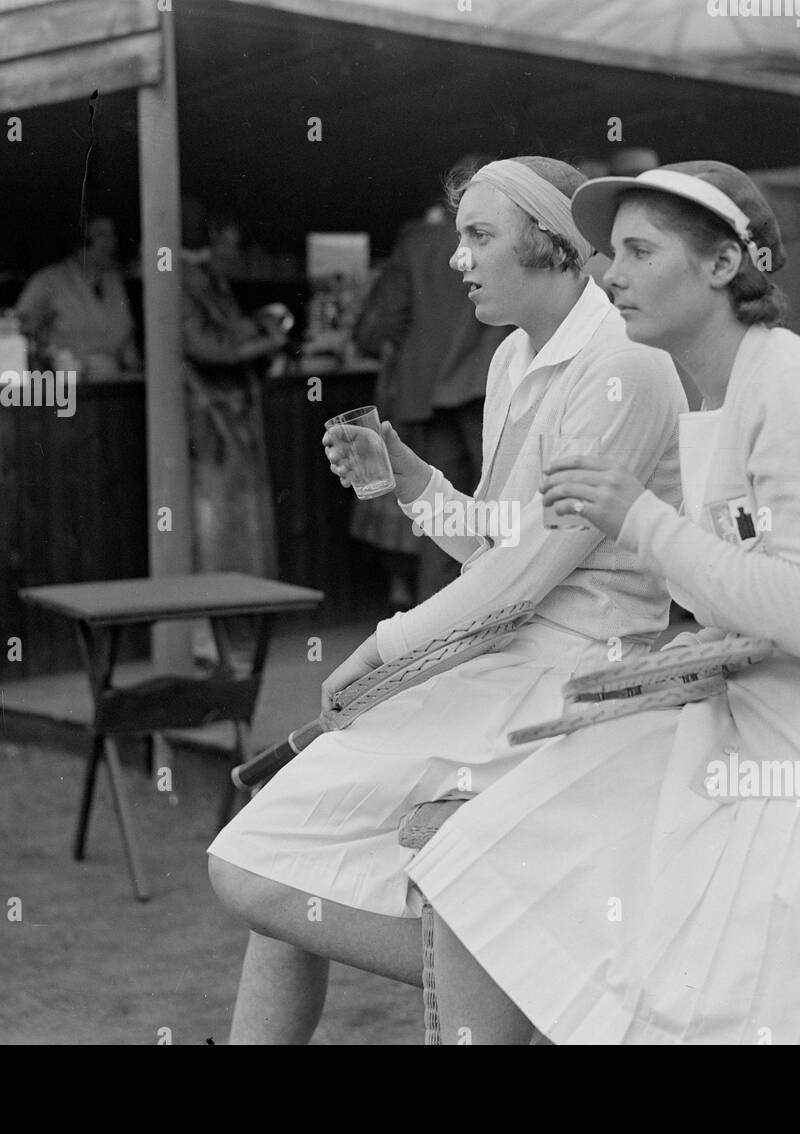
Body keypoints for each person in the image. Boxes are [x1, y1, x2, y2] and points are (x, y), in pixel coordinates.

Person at [407, 161, 800, 1044]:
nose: (607, 273)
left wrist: (640, 518)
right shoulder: (721, 389)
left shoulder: (797, 387)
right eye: (608, 252)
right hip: (777, 741)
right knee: (485, 865)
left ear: (725, 265)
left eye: (638, 250)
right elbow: (750, 591)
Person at [206, 156, 688, 1044]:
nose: (457, 260)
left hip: (574, 688)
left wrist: (385, 651)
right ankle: (502, 959)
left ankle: (509, 968)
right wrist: (413, 480)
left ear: (553, 247)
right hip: (502, 660)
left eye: (478, 236)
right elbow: (501, 547)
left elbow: (524, 577)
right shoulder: (513, 356)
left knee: (247, 873)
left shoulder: (626, 367)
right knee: (276, 876)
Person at [350, 158, 512, 610]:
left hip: (432, 398)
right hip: (488, 388)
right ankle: (498, 622)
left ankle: (439, 638)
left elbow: (375, 328)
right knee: (504, 514)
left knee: (443, 521)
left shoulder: (415, 243)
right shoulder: (507, 237)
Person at [181, 213, 288, 580]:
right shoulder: (181, 280)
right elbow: (207, 346)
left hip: (230, 412)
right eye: (224, 241)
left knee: (236, 517)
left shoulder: (209, 279)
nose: (231, 251)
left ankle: (237, 614)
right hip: (208, 415)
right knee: (215, 517)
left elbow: (224, 333)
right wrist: (266, 341)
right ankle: (215, 618)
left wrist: (259, 328)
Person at [14, 213, 139, 380]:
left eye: (113, 235)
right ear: (81, 241)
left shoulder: (114, 280)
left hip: (112, 382)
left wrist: (132, 365)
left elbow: (126, 336)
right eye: (102, 235)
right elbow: (22, 328)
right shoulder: (48, 279)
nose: (111, 242)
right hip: (70, 382)